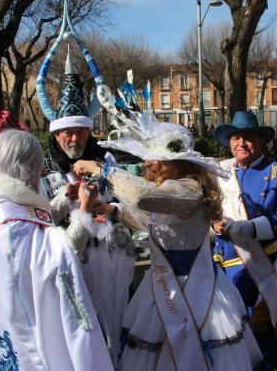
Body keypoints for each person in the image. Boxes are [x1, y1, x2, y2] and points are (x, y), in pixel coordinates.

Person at [74, 119, 264, 371]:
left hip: (194, 286)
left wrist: (102, 169)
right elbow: (155, 222)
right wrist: (113, 210)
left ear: (175, 162)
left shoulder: (190, 188)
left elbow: (142, 197)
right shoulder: (171, 187)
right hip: (162, 284)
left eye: (155, 158)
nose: (148, 163)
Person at [0, 130, 113, 370]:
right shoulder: (10, 227)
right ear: (27, 168)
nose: (41, 173)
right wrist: (83, 207)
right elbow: (60, 263)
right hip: (29, 329)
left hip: (6, 312)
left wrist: (64, 199)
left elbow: (36, 220)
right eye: (38, 167)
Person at [37, 43, 134, 365]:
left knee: (113, 327)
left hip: (109, 259)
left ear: (88, 132)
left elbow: (131, 208)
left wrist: (109, 209)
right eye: (66, 133)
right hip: (67, 265)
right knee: (76, 331)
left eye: (79, 131)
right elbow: (37, 220)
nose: (73, 139)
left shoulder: (107, 164)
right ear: (56, 136)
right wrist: (62, 203)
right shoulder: (43, 169)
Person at [212, 110, 277, 371]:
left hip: (261, 263)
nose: (242, 143)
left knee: (262, 324)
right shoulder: (222, 173)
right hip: (226, 262)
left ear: (261, 141)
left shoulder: (276, 171)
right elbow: (212, 211)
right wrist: (215, 227)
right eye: (236, 137)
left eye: (248, 137)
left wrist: (250, 228)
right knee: (231, 324)